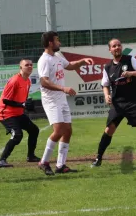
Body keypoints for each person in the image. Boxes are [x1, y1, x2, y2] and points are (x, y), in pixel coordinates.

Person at [91, 39, 136, 167]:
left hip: (134, 101)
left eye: (118, 45)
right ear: (110, 50)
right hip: (118, 103)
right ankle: (98, 159)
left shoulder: (130, 60)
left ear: (121, 47)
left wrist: (131, 73)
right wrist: (106, 95)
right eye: (114, 46)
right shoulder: (107, 67)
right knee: (109, 129)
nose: (117, 47)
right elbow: (105, 84)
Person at [37, 31, 94, 175]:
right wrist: (64, 88)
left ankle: (60, 165)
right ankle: (43, 162)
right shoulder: (44, 60)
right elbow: (44, 82)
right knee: (59, 131)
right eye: (57, 40)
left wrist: (82, 61)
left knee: (67, 130)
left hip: (61, 99)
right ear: (50, 43)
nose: (59, 43)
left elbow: (69, 66)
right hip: (51, 100)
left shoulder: (57, 56)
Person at [0, 59, 40, 168]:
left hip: (17, 113)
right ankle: (1, 161)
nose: (29, 66)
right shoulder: (14, 80)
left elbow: (21, 100)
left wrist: (26, 105)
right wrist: (22, 105)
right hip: (5, 113)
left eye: (31, 65)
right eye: (26, 65)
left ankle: (31, 156)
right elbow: (5, 100)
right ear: (20, 67)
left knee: (34, 130)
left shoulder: (28, 81)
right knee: (17, 135)